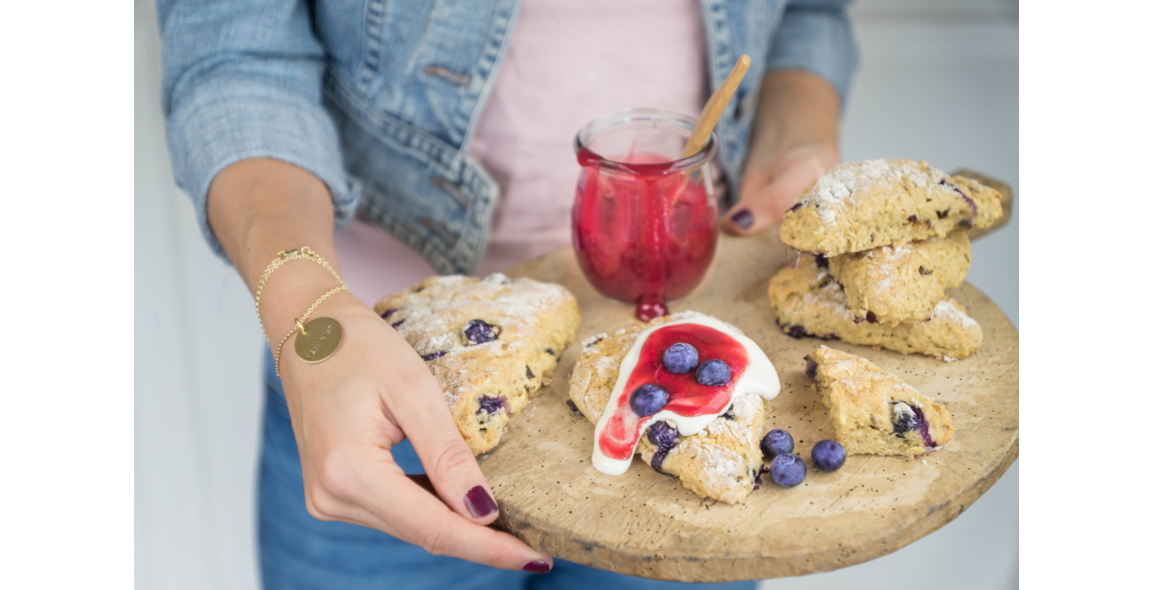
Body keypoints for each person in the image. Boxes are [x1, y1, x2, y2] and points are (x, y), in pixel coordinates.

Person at [158, 1, 856, 588]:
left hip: (686, 390)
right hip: (381, 389)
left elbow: (806, 12)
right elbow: (237, 56)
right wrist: (311, 317)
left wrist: (799, 145)